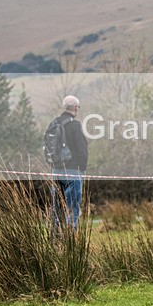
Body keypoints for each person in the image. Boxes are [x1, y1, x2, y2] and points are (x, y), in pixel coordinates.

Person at [49, 95, 88, 230]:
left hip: (56, 170)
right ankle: (71, 238)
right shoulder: (75, 126)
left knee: (57, 207)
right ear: (76, 108)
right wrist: (81, 169)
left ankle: (55, 236)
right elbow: (82, 150)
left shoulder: (53, 124)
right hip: (73, 171)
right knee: (72, 207)